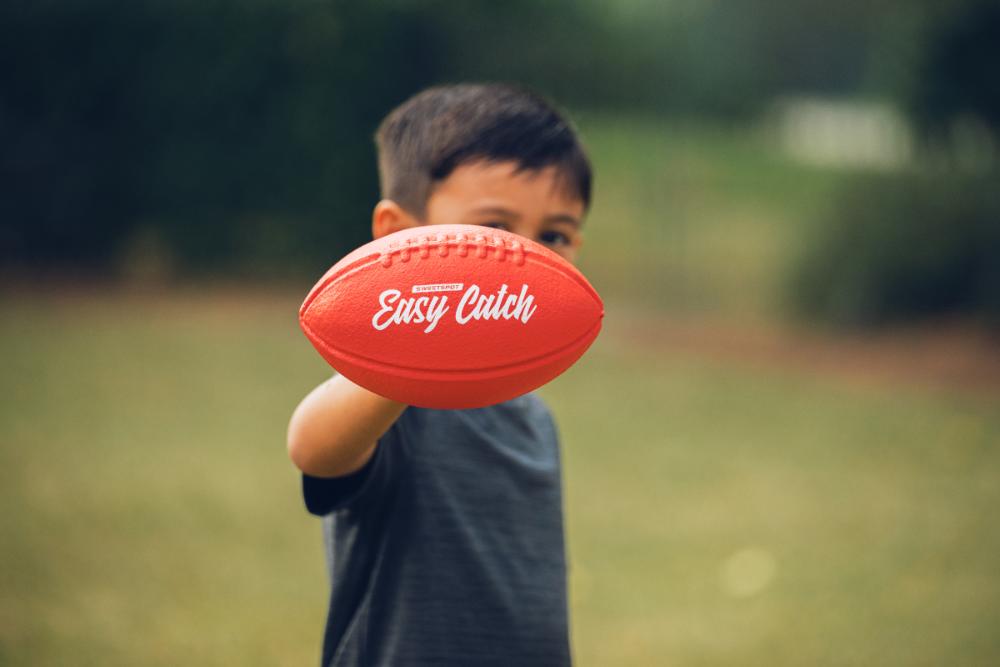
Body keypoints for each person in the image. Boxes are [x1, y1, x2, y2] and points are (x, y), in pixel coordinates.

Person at [287, 83, 593, 666]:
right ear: (399, 235)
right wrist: (404, 358)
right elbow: (314, 446)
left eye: (554, 237)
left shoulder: (532, 414)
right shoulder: (398, 407)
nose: (528, 264)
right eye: (495, 233)